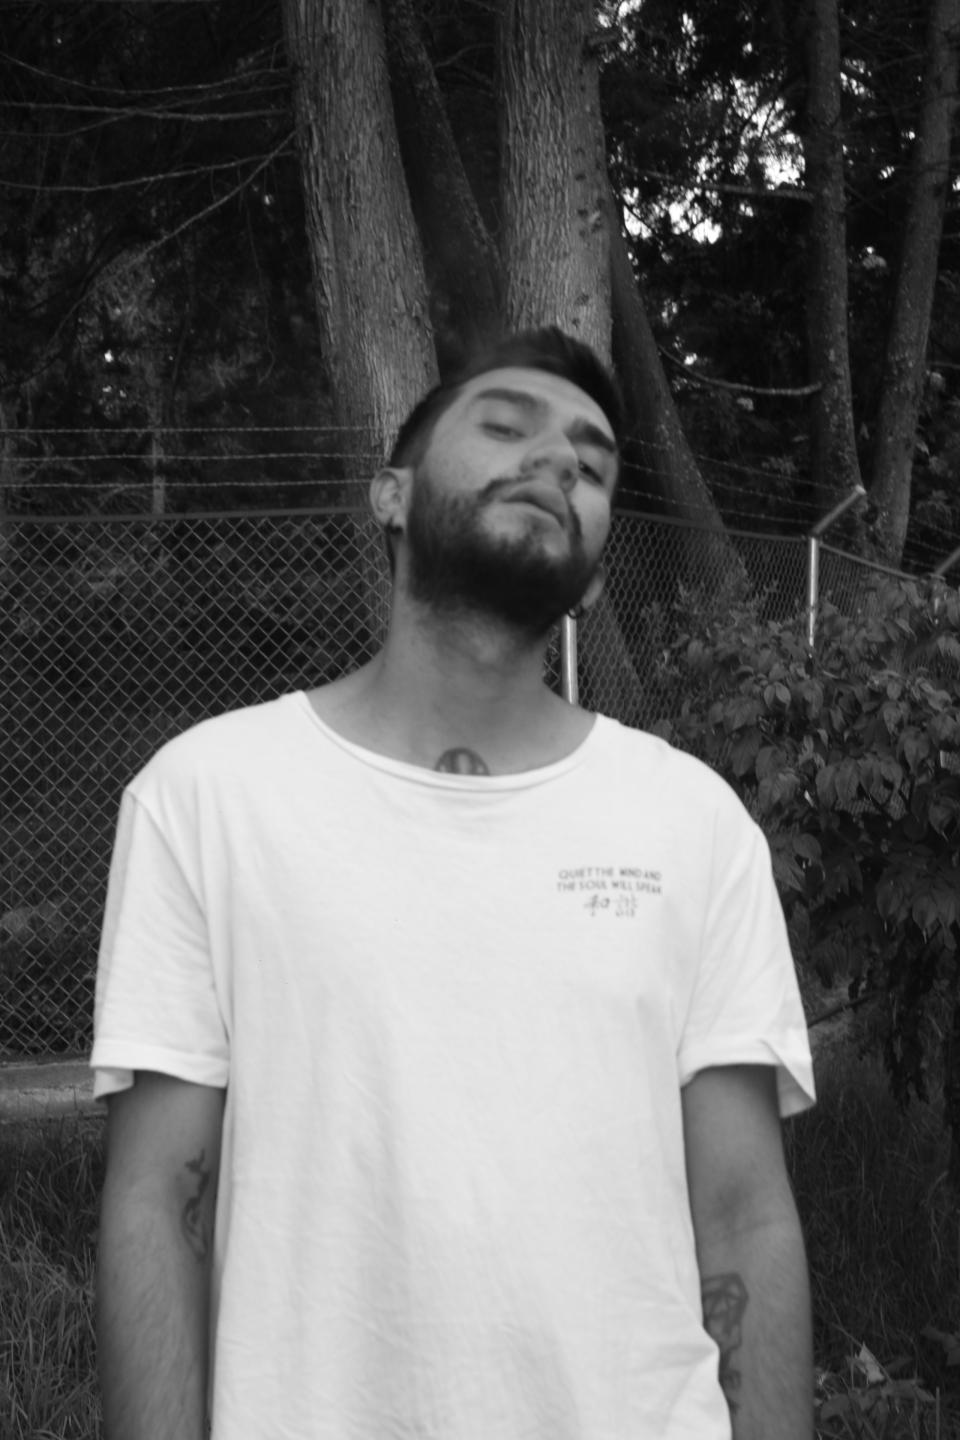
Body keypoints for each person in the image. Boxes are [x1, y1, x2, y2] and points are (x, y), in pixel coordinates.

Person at [92, 326, 816, 1440]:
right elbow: (157, 1204)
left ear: (598, 561)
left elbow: (744, 1217)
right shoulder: (207, 798)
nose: (558, 462)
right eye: (507, 426)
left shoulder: (694, 823)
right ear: (390, 495)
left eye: (591, 464)